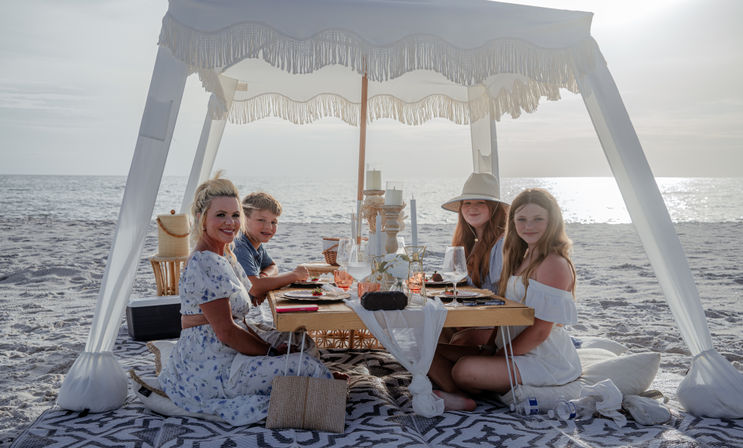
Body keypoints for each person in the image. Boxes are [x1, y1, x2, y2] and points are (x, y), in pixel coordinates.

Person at [158, 175, 332, 425]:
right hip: (214, 366)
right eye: (220, 215)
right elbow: (227, 331)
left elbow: (235, 317)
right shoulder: (205, 261)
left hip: (227, 349)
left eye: (235, 215)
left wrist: (271, 350)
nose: (230, 223)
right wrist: (271, 354)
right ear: (201, 218)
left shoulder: (224, 254)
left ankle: (307, 388)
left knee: (300, 341)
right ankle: (313, 394)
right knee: (307, 365)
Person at [429, 188, 580, 411]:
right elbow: (508, 315)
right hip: (510, 347)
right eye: (522, 219)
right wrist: (490, 348)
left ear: (553, 222)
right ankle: (458, 395)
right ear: (513, 222)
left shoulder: (552, 263)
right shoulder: (522, 257)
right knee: (427, 351)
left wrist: (497, 357)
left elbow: (540, 332)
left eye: (538, 219)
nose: (529, 226)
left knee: (464, 369)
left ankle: (461, 394)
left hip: (544, 359)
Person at [440, 172, 509, 346]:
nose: (472, 208)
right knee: (432, 329)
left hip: (494, 320)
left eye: (481, 203)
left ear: (493, 208)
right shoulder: (470, 242)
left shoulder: (500, 244)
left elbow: (500, 294)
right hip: (475, 312)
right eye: (467, 203)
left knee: (440, 337)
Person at [233, 192, 309, 304]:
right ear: (243, 218)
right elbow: (254, 287)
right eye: (261, 220)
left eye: (274, 222)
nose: (268, 227)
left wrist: (263, 278)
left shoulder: (256, 244)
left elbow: (272, 266)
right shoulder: (239, 246)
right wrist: (294, 275)